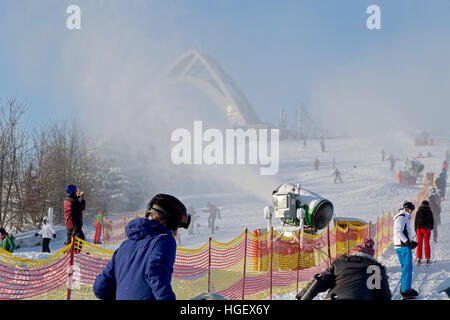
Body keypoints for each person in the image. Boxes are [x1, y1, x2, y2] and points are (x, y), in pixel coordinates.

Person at [93, 193, 190, 300]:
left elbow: (100, 288)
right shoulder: (164, 241)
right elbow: (156, 274)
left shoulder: (124, 246)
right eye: (176, 227)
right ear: (169, 223)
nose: (175, 233)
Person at [296, 237, 391, 300]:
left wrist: (301, 297)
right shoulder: (376, 271)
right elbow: (384, 295)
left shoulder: (339, 265)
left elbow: (318, 281)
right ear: (371, 256)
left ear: (352, 253)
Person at [393, 201, 418, 299]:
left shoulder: (403, 217)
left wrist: (411, 242)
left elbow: (404, 232)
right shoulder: (402, 217)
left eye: (412, 210)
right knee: (407, 268)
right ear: (406, 208)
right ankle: (405, 291)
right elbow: (398, 232)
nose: (411, 212)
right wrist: (407, 242)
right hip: (402, 246)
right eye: (410, 209)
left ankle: (406, 288)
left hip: (402, 245)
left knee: (407, 268)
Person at [414, 200, 434, 264]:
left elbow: (416, 221)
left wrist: (416, 229)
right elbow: (432, 221)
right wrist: (431, 227)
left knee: (419, 244)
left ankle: (419, 258)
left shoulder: (418, 211)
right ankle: (427, 258)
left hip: (419, 229)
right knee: (426, 243)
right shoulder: (429, 212)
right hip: (427, 229)